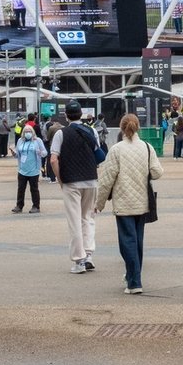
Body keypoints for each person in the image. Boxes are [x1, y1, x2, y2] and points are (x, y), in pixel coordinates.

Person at [96, 114, 163, 294]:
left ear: (121, 128)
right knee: (137, 241)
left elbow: (106, 179)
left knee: (127, 241)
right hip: (143, 201)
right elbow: (157, 172)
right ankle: (132, 275)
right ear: (138, 127)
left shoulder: (116, 150)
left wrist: (99, 202)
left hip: (123, 201)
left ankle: (134, 281)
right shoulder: (147, 148)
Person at [50, 99, 102, 274]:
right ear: (81, 114)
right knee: (88, 217)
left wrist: (60, 178)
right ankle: (88, 255)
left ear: (66, 115)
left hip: (71, 181)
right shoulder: (92, 130)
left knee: (74, 221)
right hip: (91, 179)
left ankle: (79, 261)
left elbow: (53, 159)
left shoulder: (60, 134)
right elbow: (97, 153)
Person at [11, 123, 48, 213]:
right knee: (21, 188)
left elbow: (45, 153)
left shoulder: (37, 140)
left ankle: (36, 206)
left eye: (29, 131)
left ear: (33, 132)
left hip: (34, 169)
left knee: (34, 189)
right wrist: (14, 153)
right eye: (26, 131)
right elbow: (18, 154)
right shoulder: (20, 140)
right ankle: (19, 206)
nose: (28, 133)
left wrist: (40, 153)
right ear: (23, 132)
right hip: (22, 169)